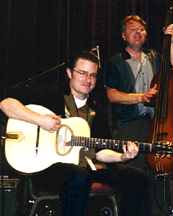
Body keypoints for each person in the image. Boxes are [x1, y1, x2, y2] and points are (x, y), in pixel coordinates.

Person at [5, 50, 149, 216]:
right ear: (69, 73)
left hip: (87, 169)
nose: (88, 80)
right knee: (79, 177)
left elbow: (100, 151)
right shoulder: (50, 95)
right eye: (82, 73)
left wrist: (122, 157)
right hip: (49, 170)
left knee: (139, 178)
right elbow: (6, 104)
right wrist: (39, 120)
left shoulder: (97, 110)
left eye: (93, 75)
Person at [105, 15, 173, 216]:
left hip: (158, 125)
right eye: (132, 29)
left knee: (160, 175)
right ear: (123, 35)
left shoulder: (155, 56)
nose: (138, 32)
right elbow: (111, 95)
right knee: (133, 179)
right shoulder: (115, 60)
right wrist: (142, 97)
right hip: (129, 125)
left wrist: (171, 43)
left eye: (141, 29)